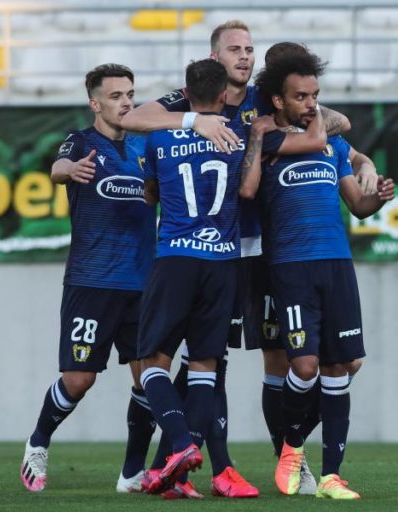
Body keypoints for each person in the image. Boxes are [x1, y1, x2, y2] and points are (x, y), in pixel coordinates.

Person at [122, 22, 330, 499]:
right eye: (234, 49)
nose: (245, 56)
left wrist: (354, 155)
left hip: (258, 251)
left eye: (250, 49)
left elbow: (332, 120)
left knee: (268, 362)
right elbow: (133, 118)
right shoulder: (186, 101)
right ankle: (207, 465)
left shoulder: (265, 99)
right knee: (206, 363)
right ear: (215, 59)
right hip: (219, 253)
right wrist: (196, 122)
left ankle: (286, 462)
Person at [239, 49, 396, 499]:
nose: (310, 103)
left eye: (315, 95)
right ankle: (291, 448)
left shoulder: (334, 146)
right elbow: (248, 190)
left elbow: (359, 206)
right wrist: (259, 138)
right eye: (300, 96)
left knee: (342, 364)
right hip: (289, 266)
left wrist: (378, 195)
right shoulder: (269, 141)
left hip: (337, 263)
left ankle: (331, 475)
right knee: (303, 365)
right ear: (277, 100)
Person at [136, 58, 271, 497]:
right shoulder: (233, 136)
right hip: (223, 261)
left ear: (185, 94)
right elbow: (248, 190)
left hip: (175, 257)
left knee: (153, 361)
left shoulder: (159, 136)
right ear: (223, 95)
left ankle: (178, 445)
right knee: (205, 366)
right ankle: (186, 465)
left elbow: (150, 191)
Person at [20, 63, 157, 493]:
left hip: (142, 282)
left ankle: (132, 472)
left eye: (130, 94)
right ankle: (38, 442)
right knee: (80, 379)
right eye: (115, 96)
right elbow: (58, 168)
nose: (126, 102)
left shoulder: (144, 146)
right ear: (95, 103)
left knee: (149, 378)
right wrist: (70, 170)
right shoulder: (81, 142)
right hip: (92, 280)